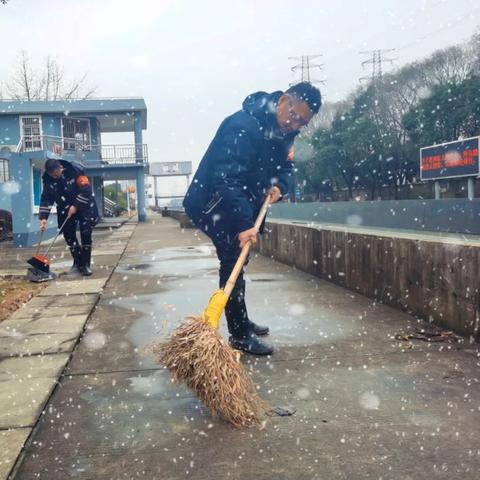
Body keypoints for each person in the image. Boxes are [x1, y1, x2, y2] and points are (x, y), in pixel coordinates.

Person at [183, 82, 321, 355]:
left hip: (237, 200)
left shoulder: (283, 132)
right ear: (283, 101)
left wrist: (280, 186)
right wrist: (244, 225)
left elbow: (286, 167)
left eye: (302, 123)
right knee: (233, 257)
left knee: (238, 259)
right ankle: (239, 333)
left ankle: (240, 319)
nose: (294, 126)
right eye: (293, 117)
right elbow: (226, 179)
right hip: (212, 204)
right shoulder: (243, 126)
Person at [39, 158, 99, 276]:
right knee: (69, 235)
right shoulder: (48, 180)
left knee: (85, 233)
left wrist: (76, 206)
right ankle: (78, 263)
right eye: (53, 176)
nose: (55, 177)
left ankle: (86, 264)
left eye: (57, 175)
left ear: (61, 168)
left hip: (84, 205)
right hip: (64, 208)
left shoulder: (75, 172)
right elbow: (46, 199)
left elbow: (86, 190)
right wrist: (43, 218)